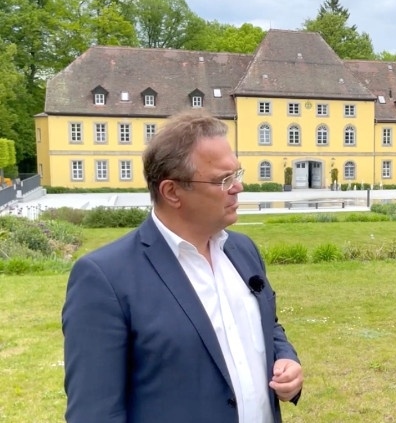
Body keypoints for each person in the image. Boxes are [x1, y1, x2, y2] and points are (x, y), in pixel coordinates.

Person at [62, 110, 303, 423]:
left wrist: (286, 359)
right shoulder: (105, 279)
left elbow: (267, 326)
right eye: (223, 180)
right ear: (172, 191)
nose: (238, 187)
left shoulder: (242, 250)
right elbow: (94, 414)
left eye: (237, 174)